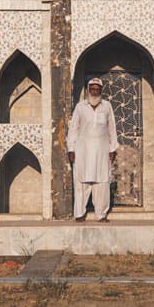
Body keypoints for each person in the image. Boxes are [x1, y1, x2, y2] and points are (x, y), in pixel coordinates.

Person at [67, 77, 118, 222]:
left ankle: (101, 214)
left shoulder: (107, 106)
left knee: (102, 182)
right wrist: (71, 149)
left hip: (102, 151)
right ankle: (79, 214)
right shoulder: (80, 107)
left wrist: (113, 148)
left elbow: (112, 128)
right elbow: (73, 129)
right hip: (82, 150)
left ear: (101, 90)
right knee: (82, 182)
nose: (95, 92)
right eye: (92, 89)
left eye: (97, 89)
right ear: (88, 90)